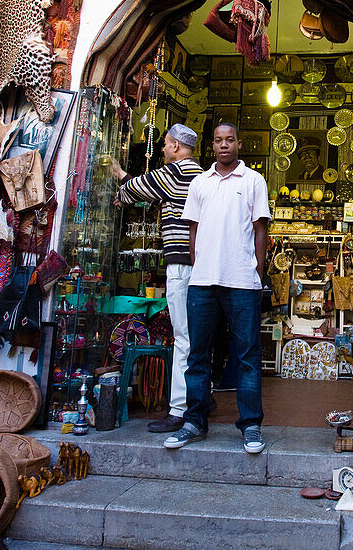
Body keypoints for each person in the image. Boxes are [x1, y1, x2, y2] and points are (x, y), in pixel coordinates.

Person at [165, 122, 270, 454]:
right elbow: (193, 231)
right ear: (211, 146)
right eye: (218, 140)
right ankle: (193, 421)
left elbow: (260, 231)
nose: (224, 145)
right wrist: (198, 266)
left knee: (248, 357)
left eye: (230, 140)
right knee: (198, 354)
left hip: (242, 281)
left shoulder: (254, 181)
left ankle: (250, 425)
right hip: (202, 282)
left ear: (239, 143)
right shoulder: (199, 183)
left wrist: (256, 273)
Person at [110, 123, 203, 433]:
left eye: (165, 144)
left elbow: (136, 187)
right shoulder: (200, 175)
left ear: (175, 146)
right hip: (200, 265)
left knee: (183, 336)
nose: (162, 149)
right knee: (196, 335)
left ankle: (178, 409)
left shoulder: (175, 173)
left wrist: (117, 174)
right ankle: (202, 397)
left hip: (181, 265)